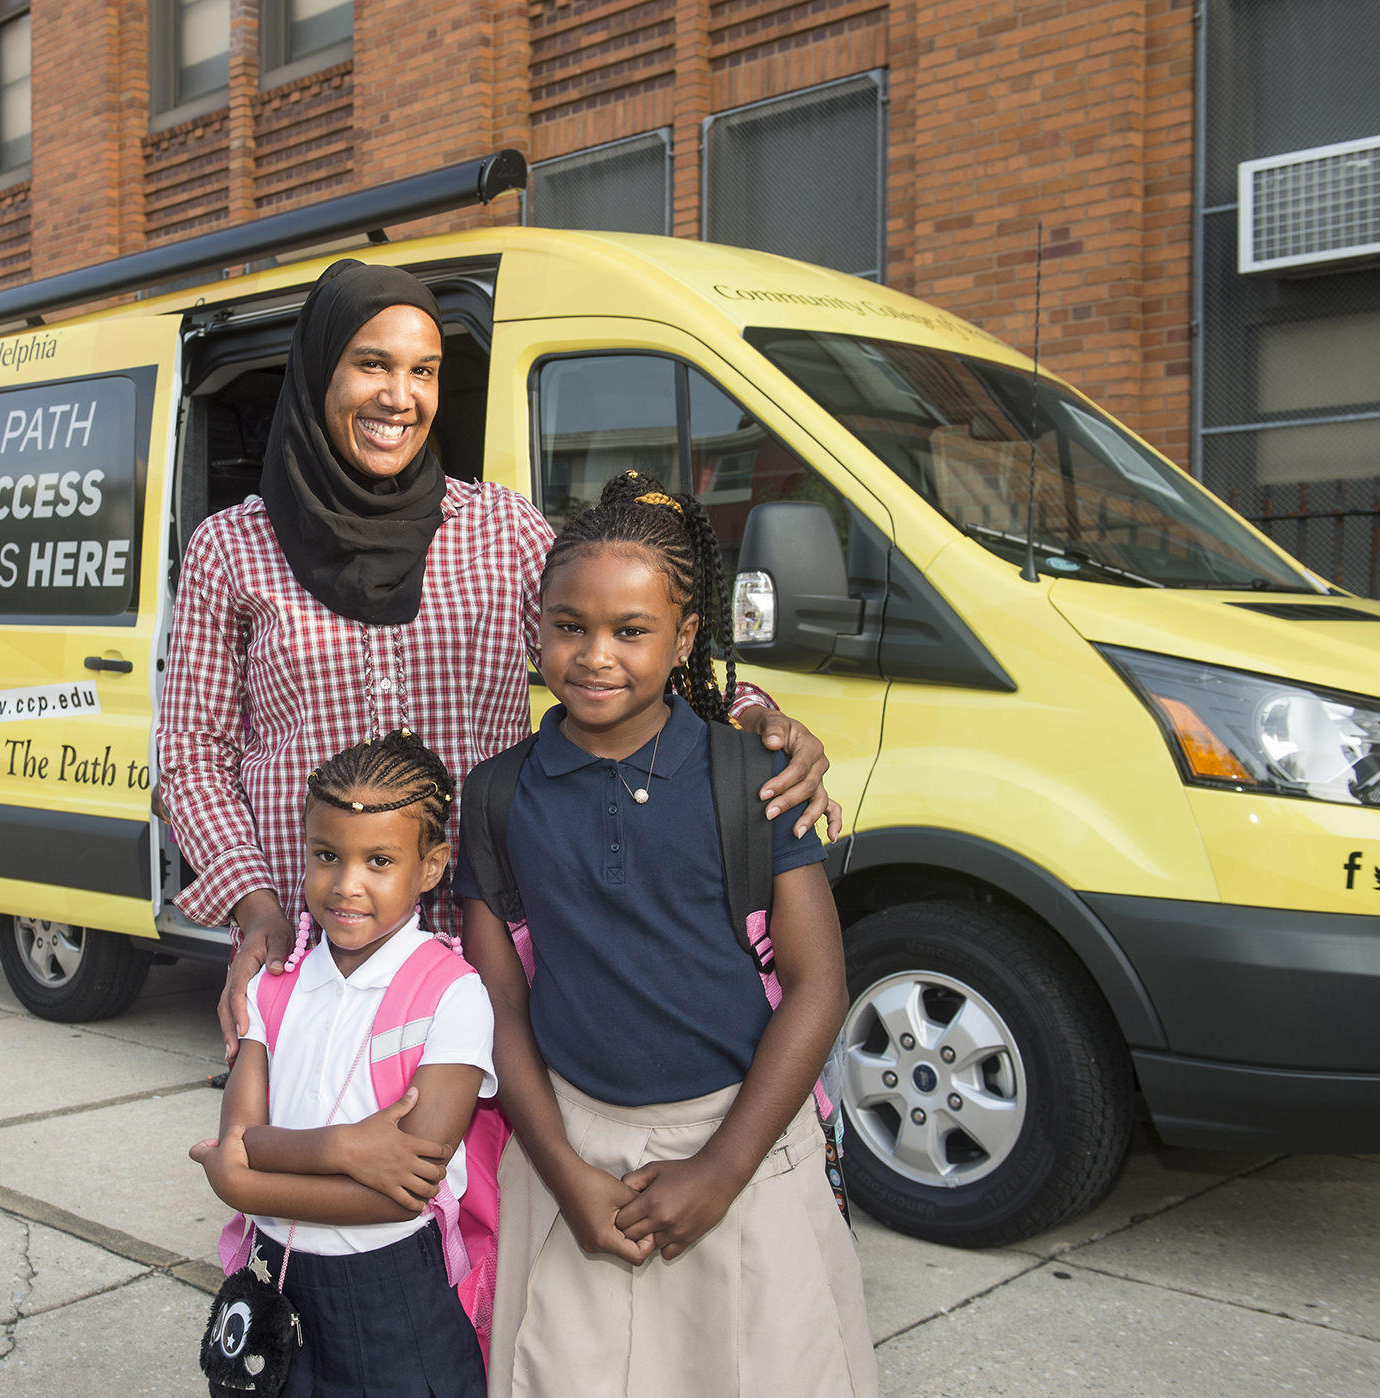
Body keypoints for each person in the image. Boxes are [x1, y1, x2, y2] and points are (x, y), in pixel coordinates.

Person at [154, 259, 841, 1064]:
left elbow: (609, 657)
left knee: (480, 1178)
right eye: (371, 363)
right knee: (318, 1164)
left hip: (489, 943)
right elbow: (190, 757)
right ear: (317, 372)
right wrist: (255, 907)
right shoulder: (232, 548)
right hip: (315, 948)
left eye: (424, 370)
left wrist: (755, 716)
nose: (399, 396)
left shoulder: (498, 531)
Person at [456, 472, 876, 1396]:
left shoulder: (752, 775)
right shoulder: (494, 796)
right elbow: (499, 1006)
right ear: (537, 626)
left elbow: (818, 984)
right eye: (569, 625)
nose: (595, 654)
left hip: (745, 1151)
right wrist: (563, 1172)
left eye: (631, 630)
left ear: (685, 636)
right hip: (572, 1154)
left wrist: (723, 1168)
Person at [191, 731, 493, 1398]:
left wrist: (245, 1182)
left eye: (379, 860)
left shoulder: (453, 995)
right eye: (327, 856)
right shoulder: (271, 985)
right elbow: (240, 1142)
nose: (346, 885)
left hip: (394, 1301)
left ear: (433, 865)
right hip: (274, 1282)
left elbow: (398, 1197)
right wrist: (347, 1148)